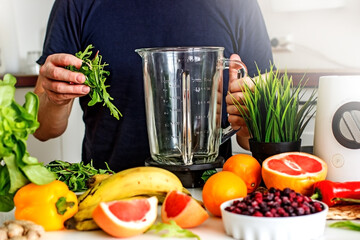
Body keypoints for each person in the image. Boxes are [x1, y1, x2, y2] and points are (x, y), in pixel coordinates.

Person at [33, 0, 274, 171]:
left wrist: (245, 122)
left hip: (210, 191)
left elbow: (257, 137)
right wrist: (56, 99)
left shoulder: (239, 4)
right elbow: (43, 129)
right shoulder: (76, 4)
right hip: (107, 188)